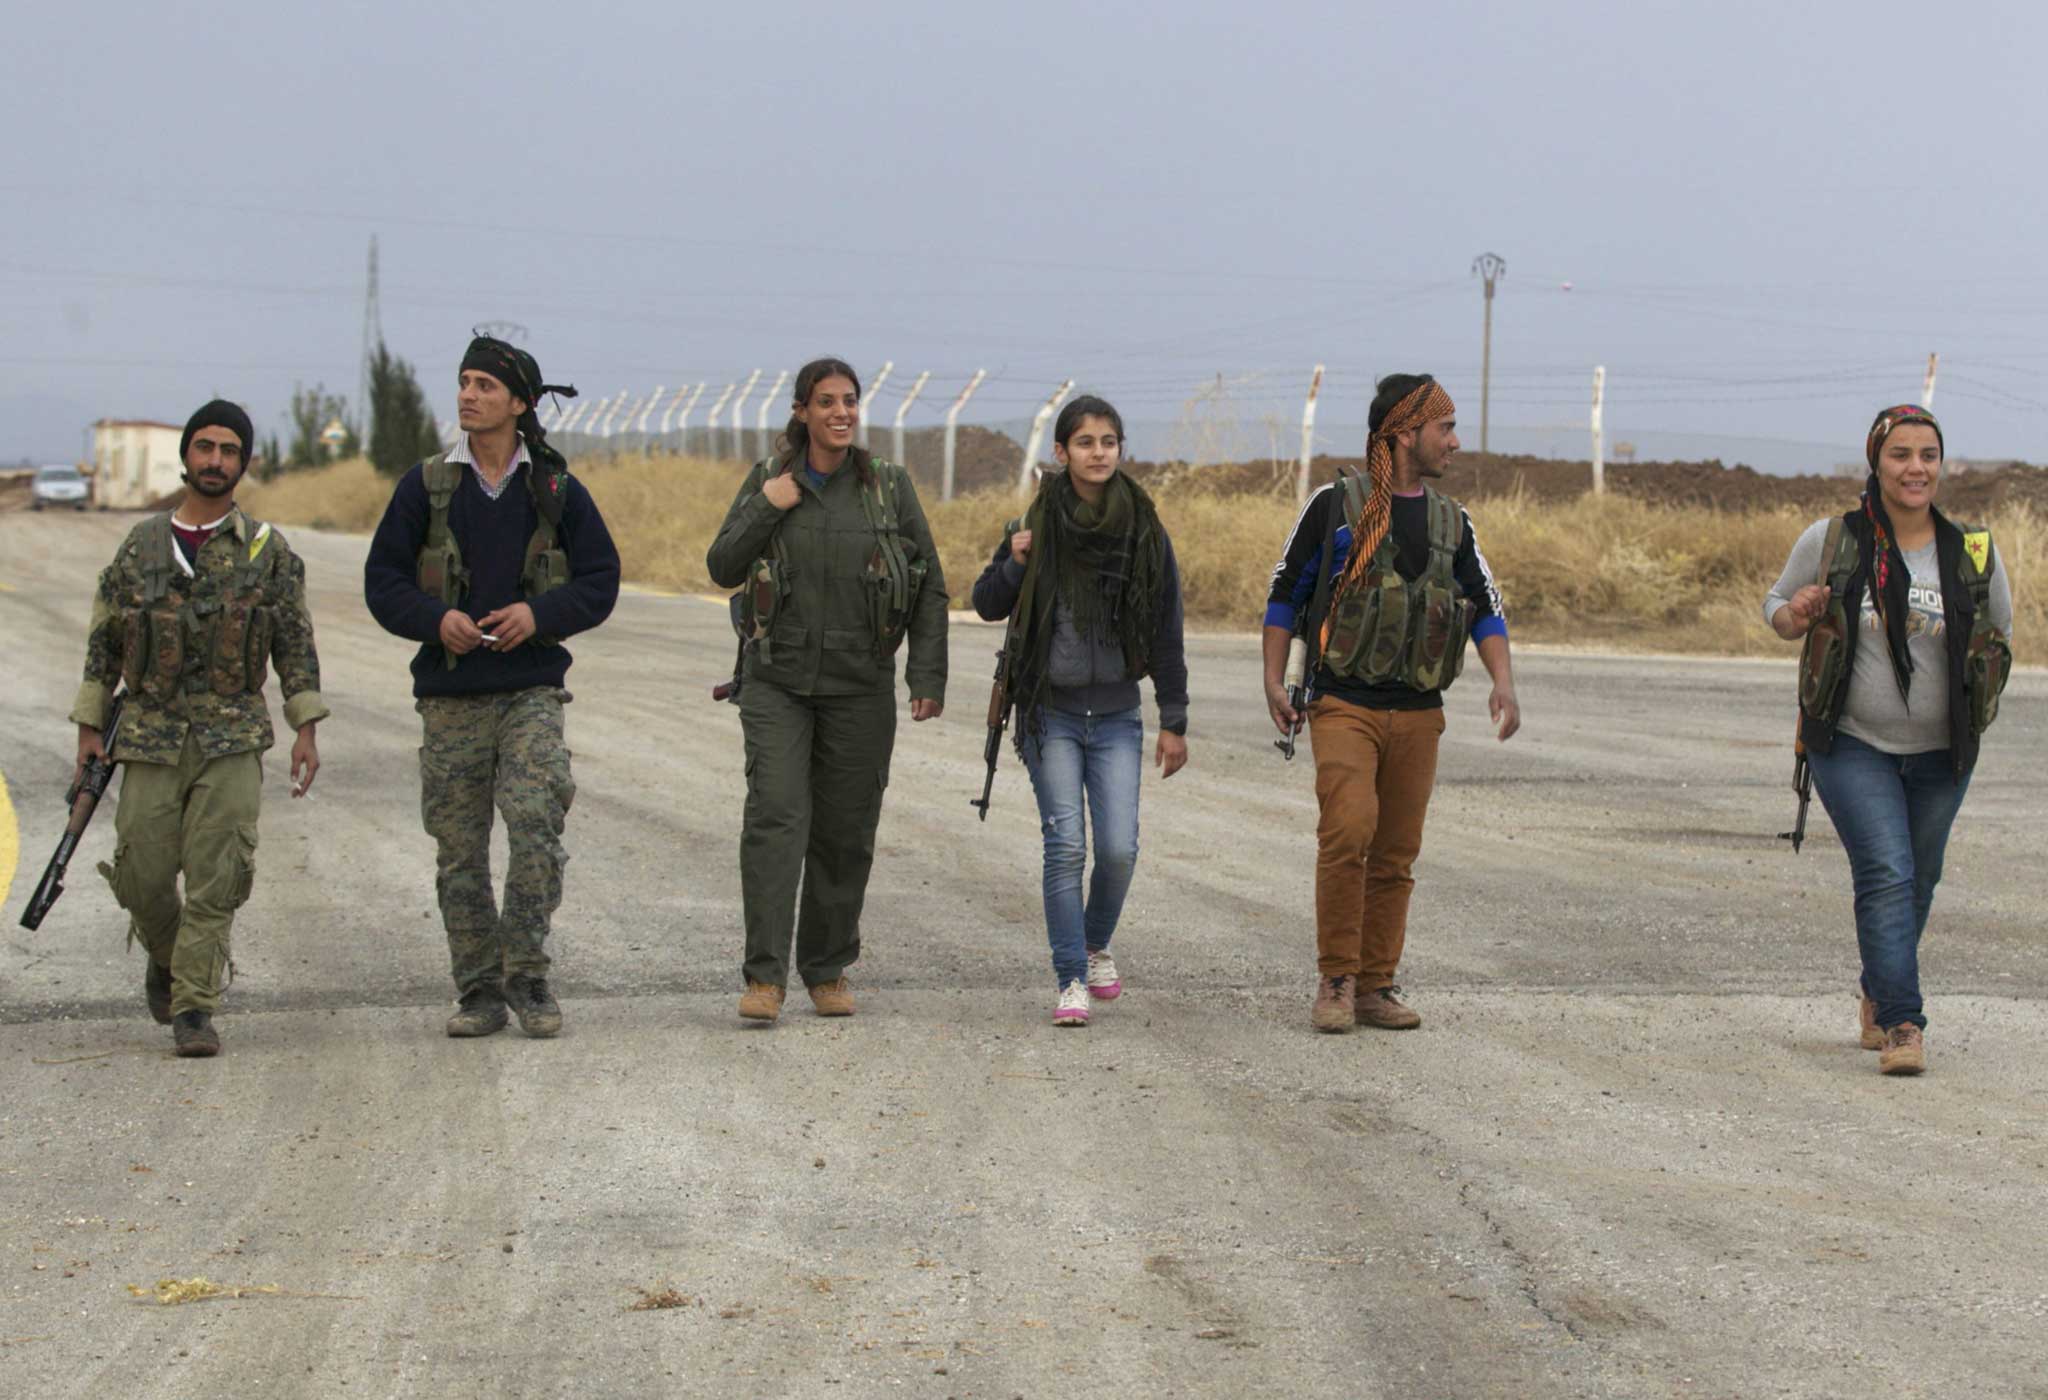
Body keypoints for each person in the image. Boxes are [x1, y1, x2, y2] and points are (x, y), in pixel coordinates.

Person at [364, 334, 620, 1040]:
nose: (468, 395)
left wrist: (539, 614)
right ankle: (478, 988)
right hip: (450, 697)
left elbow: (601, 581)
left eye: (484, 384)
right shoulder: (425, 487)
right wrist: (434, 618)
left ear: (519, 403)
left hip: (529, 692)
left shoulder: (557, 490)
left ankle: (528, 974)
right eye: (463, 381)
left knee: (537, 822)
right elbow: (381, 582)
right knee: (460, 849)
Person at [1262, 373, 1519, 1035]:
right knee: (1349, 833)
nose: (1454, 442)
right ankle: (1337, 980)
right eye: (1444, 427)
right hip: (1343, 700)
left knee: (1397, 853)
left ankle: (1376, 985)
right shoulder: (1335, 505)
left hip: (1419, 709)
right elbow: (1286, 592)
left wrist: (1503, 682)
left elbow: (1483, 607)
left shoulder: (1451, 521)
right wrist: (1272, 679)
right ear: (1404, 432)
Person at [69, 399, 327, 1058]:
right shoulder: (143, 546)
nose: (215, 461)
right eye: (205, 447)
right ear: (186, 456)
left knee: (218, 876)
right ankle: (170, 956)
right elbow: (105, 637)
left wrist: (305, 725)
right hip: (150, 735)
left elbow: (294, 644)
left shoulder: (268, 551)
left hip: (232, 735)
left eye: (229, 451)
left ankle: (194, 1008)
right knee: (142, 876)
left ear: (244, 463)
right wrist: (89, 725)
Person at [1765, 404, 2012, 1076]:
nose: (1916, 468)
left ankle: (1878, 988)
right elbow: (1777, 609)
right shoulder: (1834, 539)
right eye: (1901, 454)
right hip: (1850, 743)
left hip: (1943, 752)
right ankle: (1904, 1023)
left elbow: (2001, 637)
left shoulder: (1973, 551)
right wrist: (1798, 613)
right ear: (1876, 462)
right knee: (1887, 873)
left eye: (1928, 455)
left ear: (1941, 464)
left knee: (1919, 880)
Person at [705, 357, 948, 1024]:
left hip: (860, 685)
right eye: (826, 402)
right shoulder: (770, 479)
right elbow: (722, 564)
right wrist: (766, 506)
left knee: (845, 831)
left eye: (849, 401)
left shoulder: (887, 488)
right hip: (777, 680)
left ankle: (827, 967)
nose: (841, 413)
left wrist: (927, 675)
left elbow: (929, 583)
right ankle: (764, 977)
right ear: (802, 411)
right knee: (777, 818)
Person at [970, 395, 1188, 1026]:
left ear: (1121, 450)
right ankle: (1070, 977)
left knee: (1118, 849)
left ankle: (1094, 944)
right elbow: (986, 603)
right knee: (1065, 845)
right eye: (1085, 443)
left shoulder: (1145, 531)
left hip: (1118, 713)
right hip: (1050, 715)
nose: (1098, 453)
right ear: (1060, 453)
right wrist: (1014, 562)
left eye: (1109, 441)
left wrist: (1174, 718)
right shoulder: (1033, 525)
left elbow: (1167, 629)